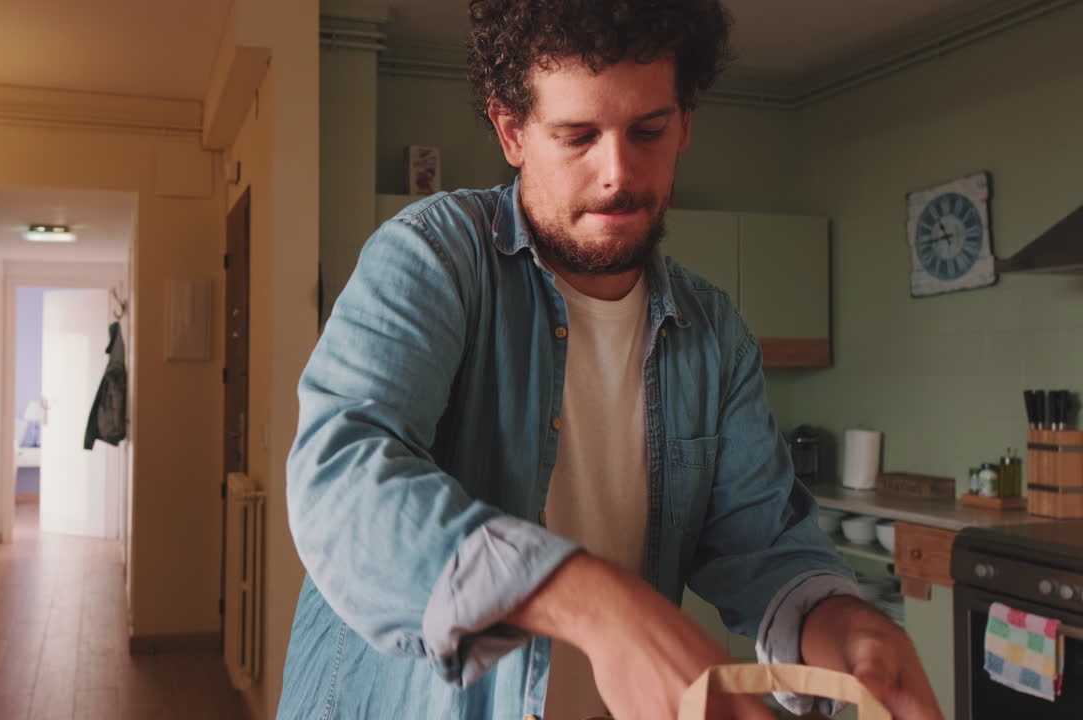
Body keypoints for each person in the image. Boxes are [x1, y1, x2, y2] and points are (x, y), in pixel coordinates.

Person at [279, 1, 944, 718]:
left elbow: (767, 549)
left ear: (684, 122)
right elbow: (340, 479)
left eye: (648, 130)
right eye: (578, 136)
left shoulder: (714, 334)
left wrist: (850, 629)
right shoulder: (435, 257)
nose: (617, 174)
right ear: (513, 131)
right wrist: (598, 604)